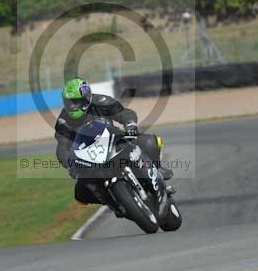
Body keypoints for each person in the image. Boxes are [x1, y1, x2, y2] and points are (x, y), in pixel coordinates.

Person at [54, 78, 173, 207]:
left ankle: (156, 170)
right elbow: (62, 147)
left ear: (86, 98)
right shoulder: (63, 121)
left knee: (150, 142)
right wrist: (71, 163)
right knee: (80, 194)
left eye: (75, 102)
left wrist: (130, 125)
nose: (72, 106)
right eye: (69, 102)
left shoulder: (101, 102)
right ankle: (114, 203)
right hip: (90, 158)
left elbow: (124, 113)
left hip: (115, 139)